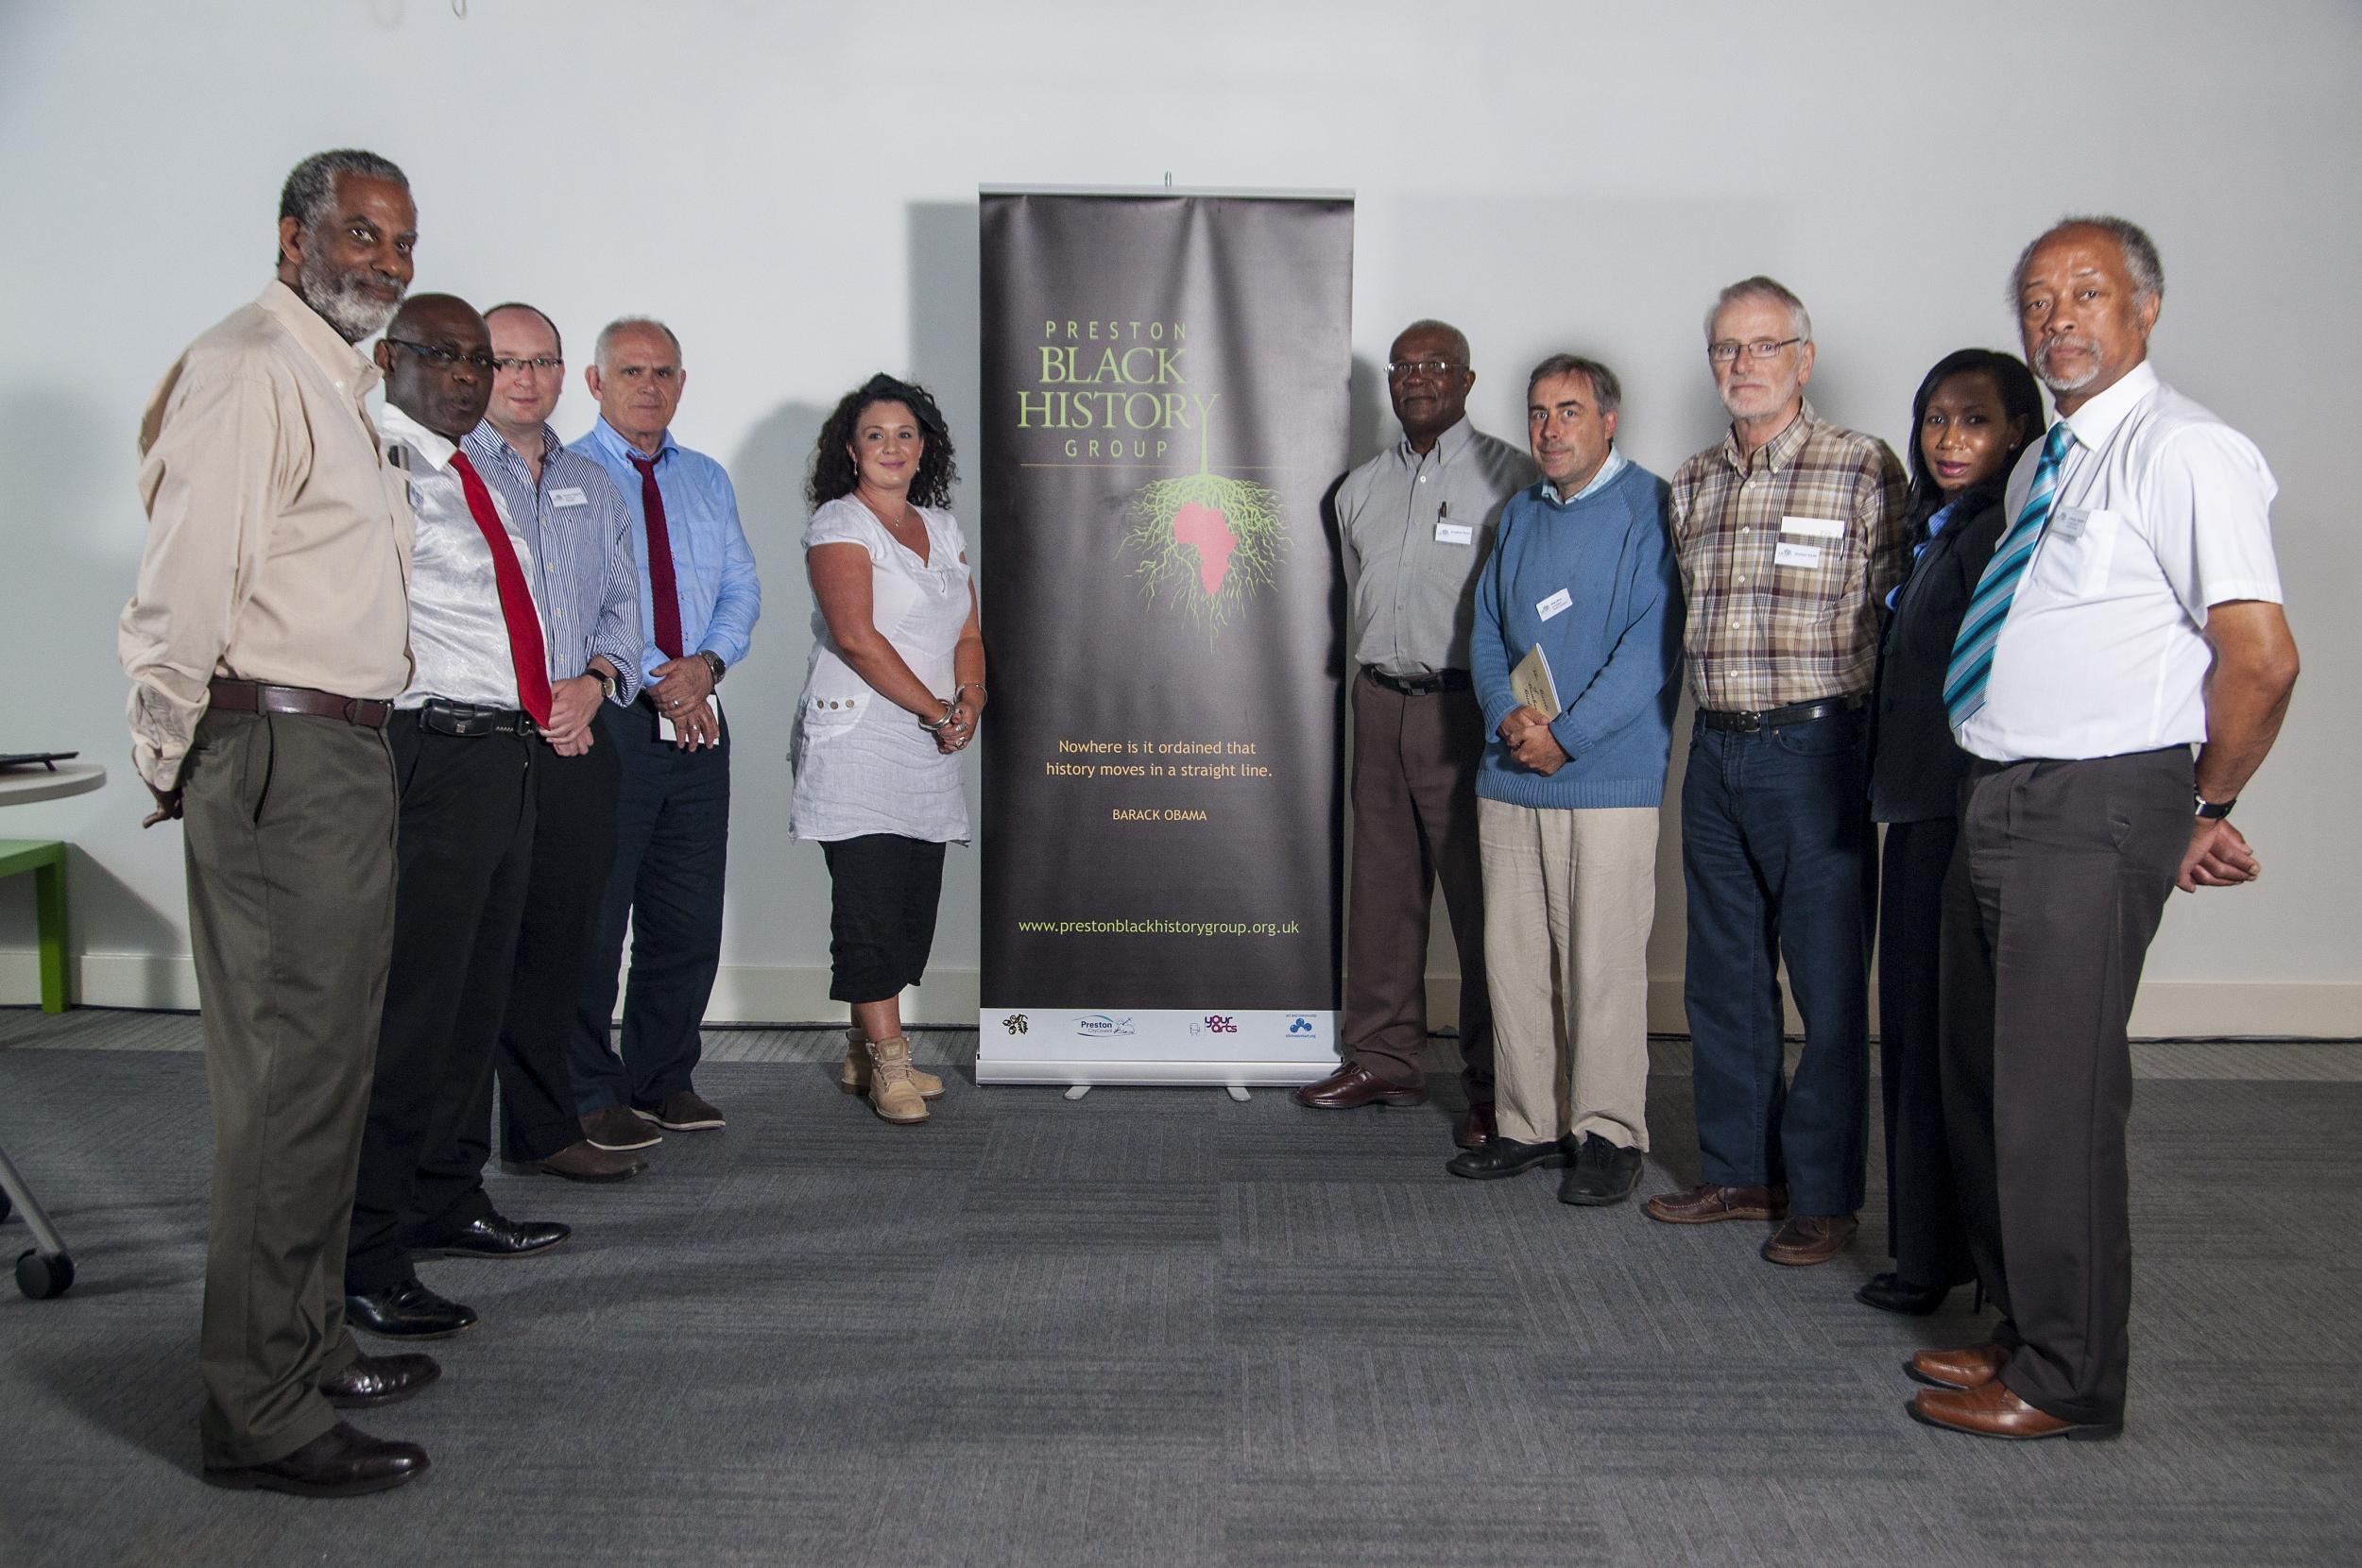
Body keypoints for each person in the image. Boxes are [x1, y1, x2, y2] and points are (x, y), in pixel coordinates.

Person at [1908, 217, 2298, 1440]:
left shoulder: (2185, 451)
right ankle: (2023, 1328)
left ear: (2146, 308)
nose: (2057, 318)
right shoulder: (2045, 459)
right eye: (2038, 299)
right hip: (1999, 792)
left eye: (2086, 293)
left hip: (2092, 802)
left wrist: (2201, 806)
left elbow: (2261, 659)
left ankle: (2070, 1378)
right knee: (1982, 1078)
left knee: (2056, 1098)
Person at [120, 148, 432, 1496]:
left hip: (341, 753)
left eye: (401, 242)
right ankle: (257, 1410)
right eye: (360, 234)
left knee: (329, 1074)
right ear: (294, 237)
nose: (386, 262)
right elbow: (186, 582)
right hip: (279, 752)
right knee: (286, 1085)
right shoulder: (249, 365)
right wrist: (172, 748)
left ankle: (304, 1349)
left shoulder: (336, 379)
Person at [1646, 277, 1908, 1267]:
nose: (1743, 364)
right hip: (1715, 750)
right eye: (1727, 348)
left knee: (1829, 987)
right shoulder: (1690, 482)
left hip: (1817, 751)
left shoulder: (1863, 466)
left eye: (1763, 346)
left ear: (1804, 357)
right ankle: (1742, 1173)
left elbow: (1899, 618)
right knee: (1723, 979)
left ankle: (1826, 1195)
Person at [341, 295, 574, 1342]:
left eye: (479, 359)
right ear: (388, 358)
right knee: (412, 1014)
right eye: (444, 355)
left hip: (503, 752)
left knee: (476, 1000)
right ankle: (365, 1250)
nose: (470, 376)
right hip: (426, 749)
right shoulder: (369, 462)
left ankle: (445, 1193)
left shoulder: (465, 469)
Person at [1297, 319, 1536, 1148]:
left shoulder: (1514, 478)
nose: (1416, 378)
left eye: (1435, 364)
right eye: (1403, 367)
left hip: (1469, 709)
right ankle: (1384, 1056)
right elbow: (1356, 600)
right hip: (1378, 701)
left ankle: (1496, 1083)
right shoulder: (1357, 490)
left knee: (1484, 904)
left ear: (1467, 380)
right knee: (1382, 894)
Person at [1452, 355, 1682, 1204]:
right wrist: (1506, 717)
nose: (1550, 430)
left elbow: (1651, 647)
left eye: (1570, 411)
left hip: (1606, 780)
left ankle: (1608, 1132)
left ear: (1608, 422)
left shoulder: (1651, 508)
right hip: (1510, 772)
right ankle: (1528, 1122)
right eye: (1539, 412)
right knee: (1514, 961)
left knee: (1602, 964)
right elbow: (1485, 630)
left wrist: (1569, 738)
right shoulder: (1518, 514)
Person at [1857, 349, 2042, 1316]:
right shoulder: (1941, 529)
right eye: (1935, 419)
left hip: (1957, 816)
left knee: (1942, 1043)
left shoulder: (1998, 535)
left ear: (2018, 434)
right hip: (1918, 810)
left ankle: (1942, 1260)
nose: (1949, 439)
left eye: (1974, 421)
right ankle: (1928, 1251)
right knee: (1915, 1035)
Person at [460, 301, 648, 1184]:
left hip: (579, 741)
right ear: (476, 370)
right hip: (482, 745)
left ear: (566, 374)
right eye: (505, 362)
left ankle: (542, 1130)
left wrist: (593, 683)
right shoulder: (447, 474)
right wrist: (536, 699)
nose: (525, 379)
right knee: (469, 954)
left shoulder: (593, 485)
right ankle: (445, 1164)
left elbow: (623, 608)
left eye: (541, 362)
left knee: (562, 943)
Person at [568, 317, 761, 1144]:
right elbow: (580, 596)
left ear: (681, 384)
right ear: (595, 382)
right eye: (631, 371)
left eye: (663, 373)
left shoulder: (707, 478)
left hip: (700, 717)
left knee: (686, 915)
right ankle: (587, 1089)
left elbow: (742, 588)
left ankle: (664, 1077)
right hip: (610, 717)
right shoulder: (567, 474)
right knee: (594, 917)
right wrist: (660, 677)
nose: (649, 386)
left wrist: (705, 669)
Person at [790, 374, 983, 1124]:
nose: (891, 447)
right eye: (875, 435)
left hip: (928, 741)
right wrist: (939, 710)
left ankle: (861, 1050)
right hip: (859, 740)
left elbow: (968, 631)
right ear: (851, 449)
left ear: (925, 447)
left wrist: (971, 699)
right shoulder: (840, 522)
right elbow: (856, 638)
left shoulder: (942, 525)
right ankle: (891, 1063)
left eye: (905, 434)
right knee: (868, 905)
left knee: (909, 907)